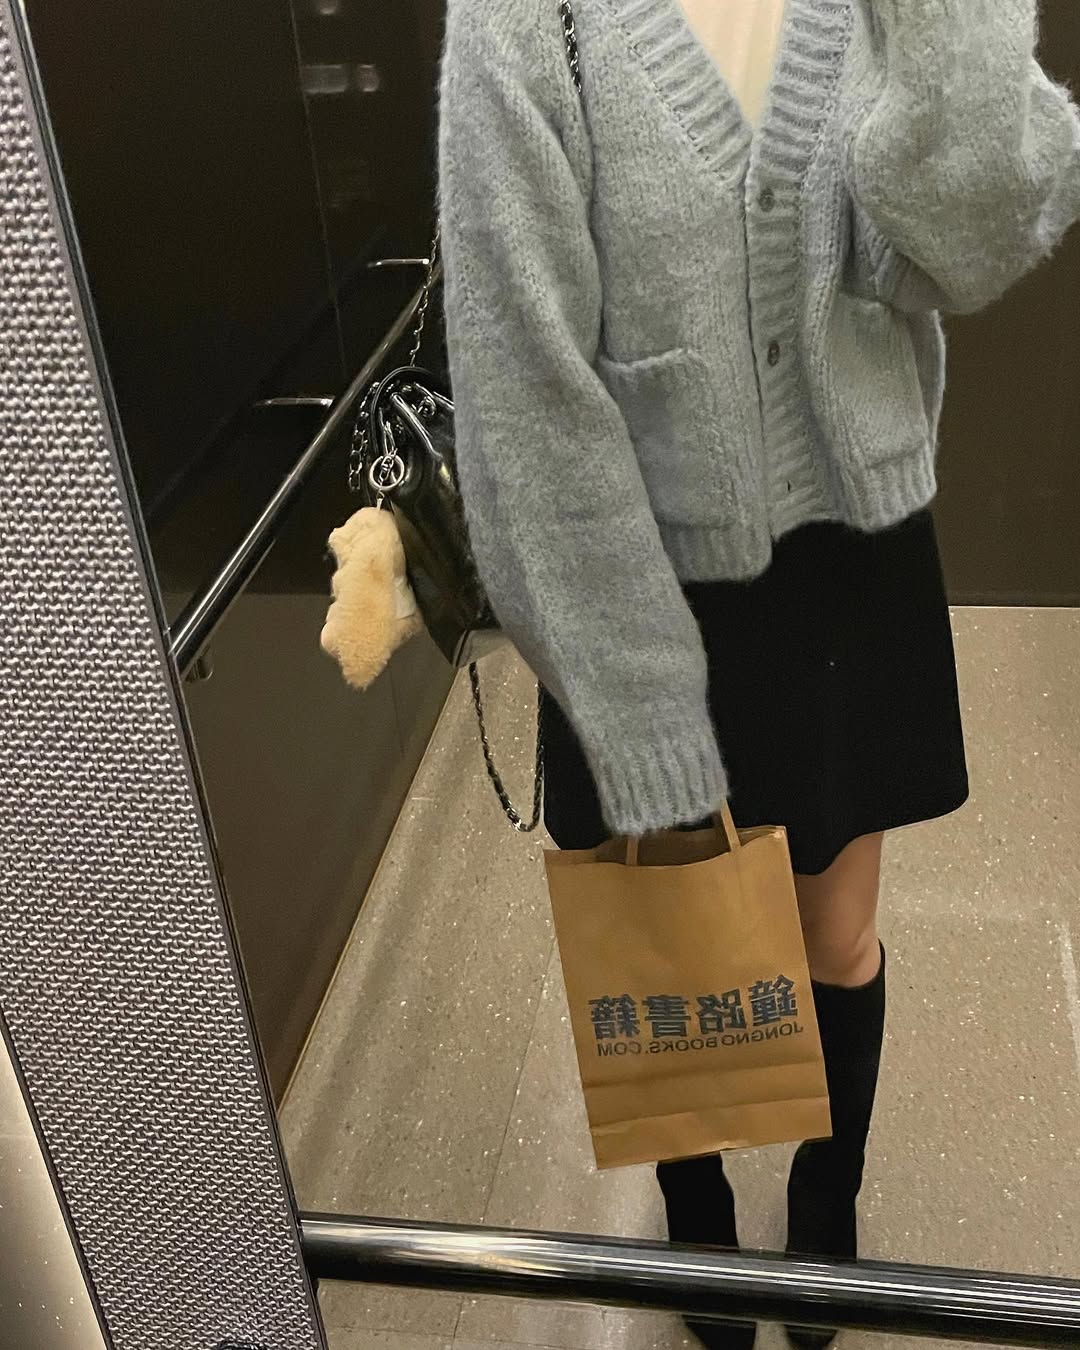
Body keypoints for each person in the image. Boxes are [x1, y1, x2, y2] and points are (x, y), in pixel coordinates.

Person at [438, 1, 1080, 1346]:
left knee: (833, 937)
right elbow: (522, 385)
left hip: (851, 546)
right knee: (677, 949)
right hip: (633, 571)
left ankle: (827, 1194)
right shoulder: (526, 20)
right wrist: (639, 704)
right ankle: (700, 1215)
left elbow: (963, 243)